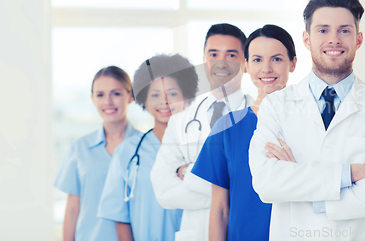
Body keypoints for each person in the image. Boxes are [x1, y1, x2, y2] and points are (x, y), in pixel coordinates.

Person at [249, 0, 365, 241]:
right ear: (307, 39)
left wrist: (304, 188)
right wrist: (352, 173)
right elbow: (266, 183)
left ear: (358, 40)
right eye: (323, 30)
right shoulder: (275, 106)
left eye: (344, 31)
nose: (334, 40)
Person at [191, 24, 297, 241]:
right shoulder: (227, 127)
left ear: (293, 63)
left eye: (276, 59)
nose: (266, 69)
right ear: (246, 66)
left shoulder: (311, 124)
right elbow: (220, 208)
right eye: (257, 60)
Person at [151, 23, 254, 241]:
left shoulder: (260, 116)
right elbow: (163, 190)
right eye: (213, 54)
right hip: (195, 233)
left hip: (246, 231)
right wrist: (230, 194)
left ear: (245, 63)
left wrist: (189, 174)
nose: (221, 62)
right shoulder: (180, 120)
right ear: (204, 59)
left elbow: (260, 184)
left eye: (231, 54)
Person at [97, 54, 198, 241]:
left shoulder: (202, 149)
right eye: (155, 94)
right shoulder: (126, 152)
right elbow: (120, 217)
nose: (164, 101)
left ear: (186, 97)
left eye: (173, 93)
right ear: (144, 99)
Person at [54, 66, 142, 241]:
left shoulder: (145, 146)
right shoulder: (79, 148)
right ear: (92, 99)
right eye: (100, 95)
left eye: (116, 94)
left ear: (130, 96)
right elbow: (72, 208)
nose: (107, 102)